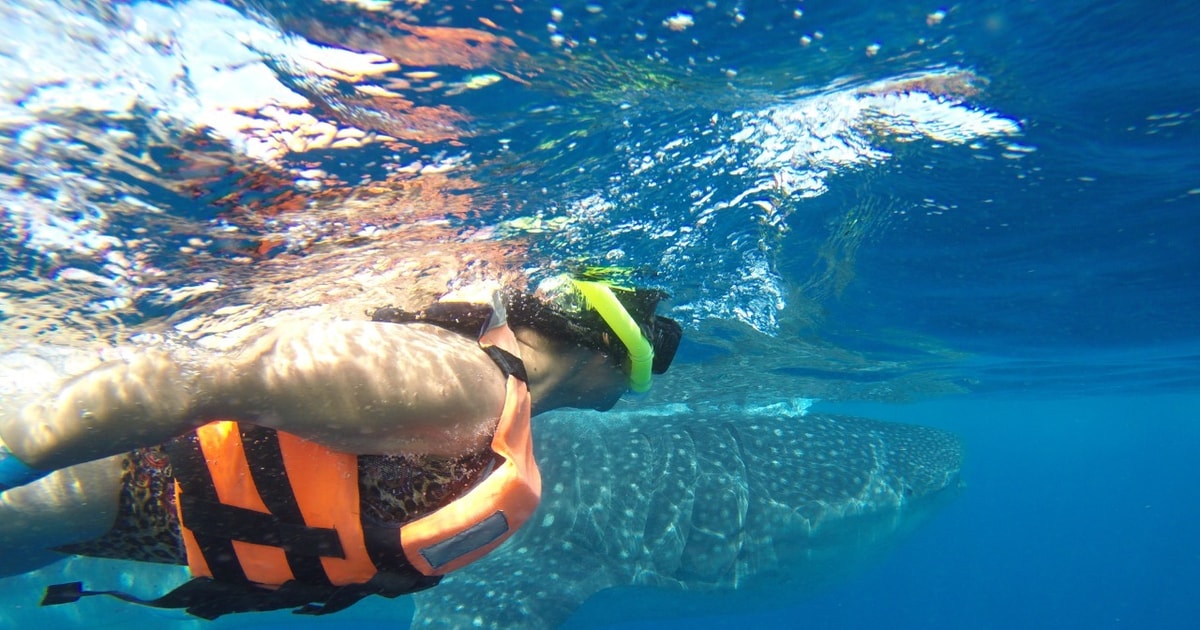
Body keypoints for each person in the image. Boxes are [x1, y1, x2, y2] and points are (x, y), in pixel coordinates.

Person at [0, 276, 682, 618]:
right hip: (66, 483)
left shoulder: (488, 399)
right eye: (660, 343)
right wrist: (21, 452)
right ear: (610, 352)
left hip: (77, 522)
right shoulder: (465, 384)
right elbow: (204, 375)